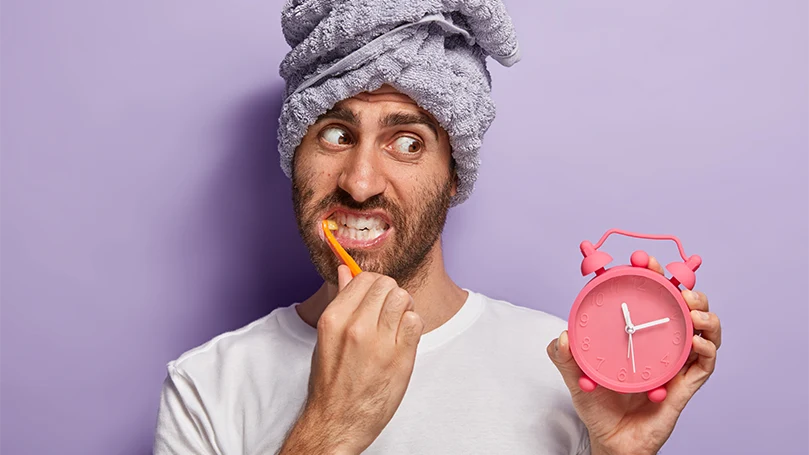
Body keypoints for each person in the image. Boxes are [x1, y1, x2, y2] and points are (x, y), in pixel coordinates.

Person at [153, 1, 722, 454]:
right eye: (334, 134)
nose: (359, 182)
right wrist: (329, 430)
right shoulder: (207, 387)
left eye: (407, 142)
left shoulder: (566, 370)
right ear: (293, 154)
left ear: (454, 177)